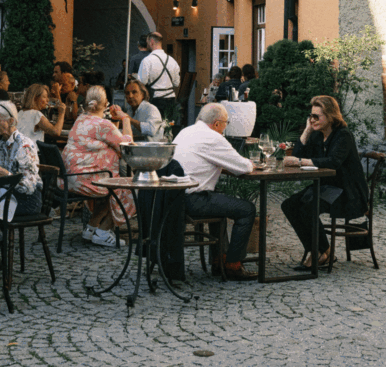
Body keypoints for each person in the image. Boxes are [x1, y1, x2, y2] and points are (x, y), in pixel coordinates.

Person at [172, 102, 260, 280]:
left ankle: (219, 259)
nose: (224, 129)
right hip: (192, 200)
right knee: (247, 209)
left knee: (217, 201)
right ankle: (233, 265)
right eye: (226, 124)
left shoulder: (185, 132)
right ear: (217, 123)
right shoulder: (213, 137)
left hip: (174, 197)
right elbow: (243, 166)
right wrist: (253, 164)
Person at [281, 95, 368, 270]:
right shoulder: (316, 135)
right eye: (310, 116)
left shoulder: (343, 135)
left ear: (330, 116)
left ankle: (320, 253)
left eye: (316, 116)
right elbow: (297, 154)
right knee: (289, 205)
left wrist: (301, 162)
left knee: (308, 208)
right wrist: (306, 131)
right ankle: (324, 251)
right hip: (325, 188)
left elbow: (333, 162)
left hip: (347, 192)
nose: (312, 120)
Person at [62, 85, 134, 247]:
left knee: (110, 185)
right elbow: (127, 147)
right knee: (129, 188)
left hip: (70, 179)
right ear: (106, 104)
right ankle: (103, 232)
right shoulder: (103, 125)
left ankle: (91, 228)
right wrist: (125, 119)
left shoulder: (80, 120)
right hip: (88, 180)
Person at [137, 32, 180, 122]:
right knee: (168, 128)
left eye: (147, 42)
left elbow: (141, 83)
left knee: (154, 129)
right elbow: (176, 83)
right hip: (171, 100)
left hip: (155, 100)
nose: (147, 45)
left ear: (151, 41)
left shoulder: (147, 61)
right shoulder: (173, 61)